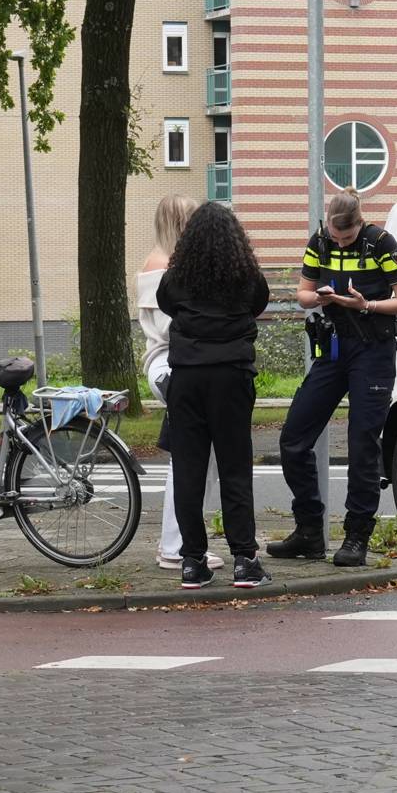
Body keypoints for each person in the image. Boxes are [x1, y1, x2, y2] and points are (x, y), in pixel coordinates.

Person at [271, 189, 397, 567]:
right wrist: (317, 298)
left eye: (346, 238)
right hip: (334, 347)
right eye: (336, 237)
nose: (340, 242)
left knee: (362, 443)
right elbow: (302, 292)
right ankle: (308, 531)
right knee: (294, 439)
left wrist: (364, 304)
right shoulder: (319, 241)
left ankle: (356, 536)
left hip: (373, 350)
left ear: (359, 222)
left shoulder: (381, 243)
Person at [155, 203, 273, 590]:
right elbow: (258, 306)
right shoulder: (245, 276)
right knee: (234, 468)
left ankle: (192, 561)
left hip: (187, 378)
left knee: (188, 470)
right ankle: (244, 560)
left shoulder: (177, 277)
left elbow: (166, 304)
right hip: (232, 376)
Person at [136, 194, 223, 570]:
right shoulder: (161, 264)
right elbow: (175, 326)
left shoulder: (171, 262)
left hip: (182, 365)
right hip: (171, 366)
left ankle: (185, 542)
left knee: (196, 462)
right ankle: (175, 545)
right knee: (189, 462)